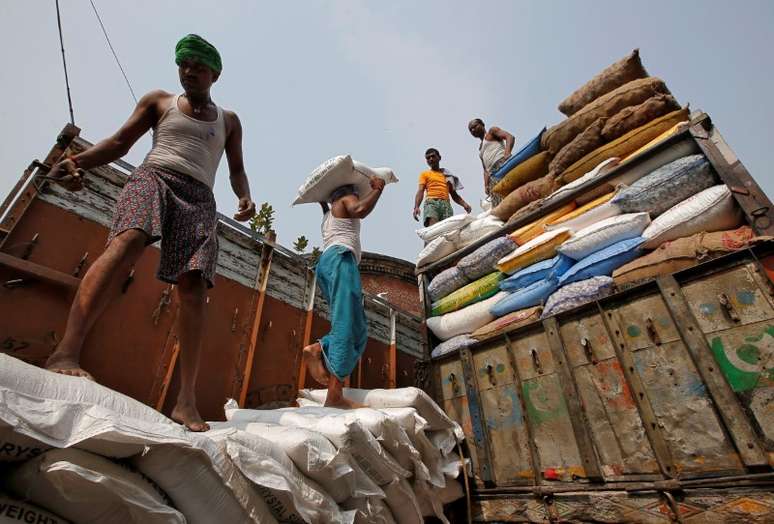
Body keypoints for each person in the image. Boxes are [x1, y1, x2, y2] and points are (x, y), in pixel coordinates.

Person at [43, 34, 256, 432]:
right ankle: (66, 353)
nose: (189, 70)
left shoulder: (229, 121)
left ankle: (185, 401)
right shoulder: (158, 102)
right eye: (184, 64)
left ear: (215, 74)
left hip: (199, 198)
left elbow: (236, 169)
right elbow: (120, 143)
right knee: (126, 242)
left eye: (198, 65)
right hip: (153, 177)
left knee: (193, 287)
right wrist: (76, 162)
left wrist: (245, 196)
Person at [302, 177, 386, 408]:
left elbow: (326, 205)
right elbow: (359, 209)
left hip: (327, 264)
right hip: (340, 260)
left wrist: (320, 197)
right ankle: (335, 395)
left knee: (357, 328)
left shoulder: (328, 214)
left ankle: (317, 350)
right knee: (346, 323)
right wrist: (378, 189)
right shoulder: (346, 199)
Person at [412, 148, 471, 227]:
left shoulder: (447, 175)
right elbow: (420, 191)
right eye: (428, 158)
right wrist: (416, 207)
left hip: (446, 205)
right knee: (434, 228)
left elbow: (454, 194)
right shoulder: (425, 174)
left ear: (439, 157)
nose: (431, 159)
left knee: (448, 230)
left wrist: (464, 204)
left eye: (433, 156)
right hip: (432, 203)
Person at [468, 118, 516, 206]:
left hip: (502, 164)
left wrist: (507, 153)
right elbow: (485, 170)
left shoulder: (492, 132)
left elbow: (510, 137)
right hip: (492, 176)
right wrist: (486, 185)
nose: (473, 130)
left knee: (511, 192)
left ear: (482, 124)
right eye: (471, 130)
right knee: (499, 203)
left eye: (474, 126)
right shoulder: (480, 148)